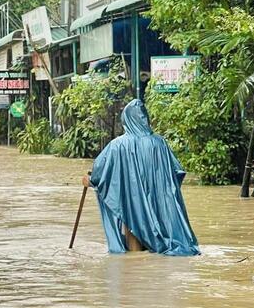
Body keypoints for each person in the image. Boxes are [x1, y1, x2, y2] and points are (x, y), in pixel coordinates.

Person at [83, 99, 200, 256]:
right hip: (157, 205)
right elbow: (177, 173)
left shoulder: (117, 145)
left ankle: (135, 264)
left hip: (131, 203)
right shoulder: (160, 143)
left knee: (133, 243)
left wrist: (90, 181)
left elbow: (100, 173)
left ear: (126, 119)